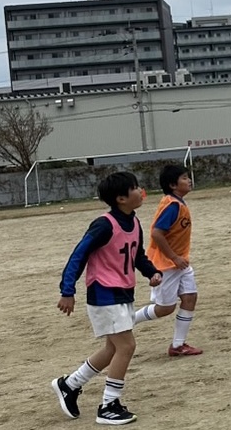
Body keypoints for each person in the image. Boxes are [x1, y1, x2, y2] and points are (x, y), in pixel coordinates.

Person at [52, 171, 162, 425]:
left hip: (123, 292)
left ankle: (70, 384)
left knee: (113, 348)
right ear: (121, 198)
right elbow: (78, 255)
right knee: (127, 346)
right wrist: (67, 291)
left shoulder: (133, 222)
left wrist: (151, 272)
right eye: (135, 187)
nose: (140, 191)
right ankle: (109, 405)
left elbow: (137, 255)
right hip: (104, 293)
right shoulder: (104, 225)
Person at [134, 164, 202, 356]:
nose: (189, 180)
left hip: (180, 263)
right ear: (173, 185)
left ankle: (178, 345)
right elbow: (157, 233)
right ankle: (128, 320)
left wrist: (179, 258)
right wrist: (174, 257)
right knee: (165, 308)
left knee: (190, 297)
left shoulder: (178, 203)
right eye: (184, 178)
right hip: (166, 264)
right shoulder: (172, 206)